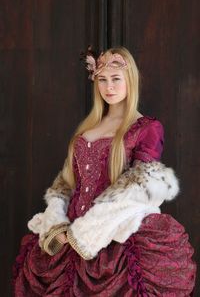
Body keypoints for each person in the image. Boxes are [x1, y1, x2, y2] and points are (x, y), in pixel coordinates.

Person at [13, 46, 196, 296]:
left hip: (117, 236)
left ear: (130, 79)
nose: (109, 87)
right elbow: (65, 184)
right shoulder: (88, 128)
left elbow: (138, 189)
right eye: (102, 80)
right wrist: (56, 222)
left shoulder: (145, 128)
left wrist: (83, 232)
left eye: (116, 79)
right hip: (71, 236)